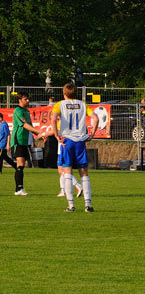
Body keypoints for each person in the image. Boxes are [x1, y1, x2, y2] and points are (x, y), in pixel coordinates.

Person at [49, 83, 99, 212]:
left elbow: (53, 119)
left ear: (64, 93)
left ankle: (71, 206)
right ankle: (88, 205)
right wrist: (92, 134)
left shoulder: (59, 104)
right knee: (84, 172)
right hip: (80, 141)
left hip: (67, 141)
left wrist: (56, 135)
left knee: (67, 172)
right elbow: (95, 118)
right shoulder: (83, 104)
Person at [10, 92, 45, 195]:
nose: (28, 101)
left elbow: (30, 125)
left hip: (25, 141)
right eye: (25, 99)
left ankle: (19, 189)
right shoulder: (18, 111)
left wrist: (39, 135)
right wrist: (40, 132)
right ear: (20, 100)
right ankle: (19, 189)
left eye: (28, 99)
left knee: (22, 165)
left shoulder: (27, 111)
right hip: (18, 140)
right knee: (20, 163)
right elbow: (24, 125)